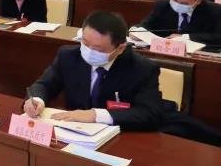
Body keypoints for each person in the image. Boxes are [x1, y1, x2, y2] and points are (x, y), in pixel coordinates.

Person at [23, 11, 164, 130]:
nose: (89, 51)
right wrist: (37, 100)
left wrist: (96, 115)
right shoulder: (68, 56)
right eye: (85, 43)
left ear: (120, 48)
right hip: (73, 130)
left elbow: (150, 113)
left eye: (98, 49)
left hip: (117, 136)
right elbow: (45, 85)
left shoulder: (142, 68)